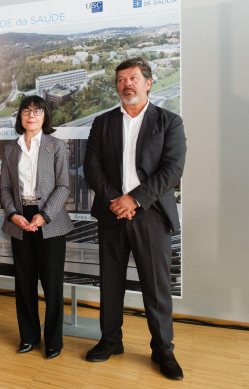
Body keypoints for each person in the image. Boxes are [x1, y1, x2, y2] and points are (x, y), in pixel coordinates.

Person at [83, 58, 187, 380]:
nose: (126, 84)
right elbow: (92, 168)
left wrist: (135, 199)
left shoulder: (169, 122)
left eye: (133, 78)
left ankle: (162, 350)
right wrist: (116, 200)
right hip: (112, 214)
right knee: (110, 283)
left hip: (152, 215)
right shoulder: (103, 123)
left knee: (156, 288)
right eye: (121, 80)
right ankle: (111, 341)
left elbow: (172, 170)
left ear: (148, 83)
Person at [0, 95, 73, 359]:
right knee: (25, 283)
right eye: (26, 111)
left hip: (49, 220)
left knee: (52, 284)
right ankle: (28, 337)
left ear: (45, 116)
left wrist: (45, 215)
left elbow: (64, 185)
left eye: (37, 110)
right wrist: (12, 214)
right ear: (20, 116)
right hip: (20, 219)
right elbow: (5, 187)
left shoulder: (56, 146)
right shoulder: (11, 149)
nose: (31, 115)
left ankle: (53, 340)